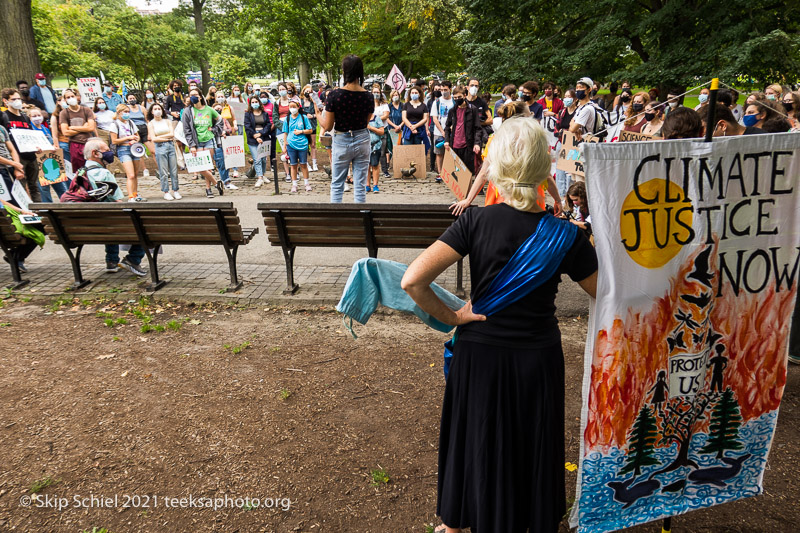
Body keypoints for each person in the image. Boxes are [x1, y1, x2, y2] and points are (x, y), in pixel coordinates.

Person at [401, 116, 597, 533]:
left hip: (480, 354)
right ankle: (528, 521)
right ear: (546, 170)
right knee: (532, 439)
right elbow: (608, 294)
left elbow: (413, 281)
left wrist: (454, 317)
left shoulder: (475, 222)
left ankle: (456, 524)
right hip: (536, 356)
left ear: (498, 168)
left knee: (475, 436)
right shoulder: (566, 236)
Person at [81, 137, 148, 276]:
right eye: (106, 150)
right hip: (109, 221)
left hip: (87, 225)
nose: (110, 153)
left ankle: (111, 261)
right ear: (95, 153)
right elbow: (118, 201)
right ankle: (133, 259)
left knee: (108, 221)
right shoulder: (103, 173)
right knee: (145, 227)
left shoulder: (80, 172)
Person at [318, 54, 374, 203]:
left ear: (345, 72)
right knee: (360, 185)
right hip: (362, 138)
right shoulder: (369, 96)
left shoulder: (335, 95)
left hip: (342, 139)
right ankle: (361, 219)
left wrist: (318, 115)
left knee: (337, 184)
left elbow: (328, 126)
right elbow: (366, 120)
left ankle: (336, 221)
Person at [0, 134, 43, 272]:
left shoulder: (2, 130)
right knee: (42, 226)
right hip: (11, 221)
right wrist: (22, 211)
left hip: (9, 220)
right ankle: (17, 256)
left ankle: (16, 257)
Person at [181, 87, 225, 198]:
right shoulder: (188, 111)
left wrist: (215, 130)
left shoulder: (209, 109)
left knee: (208, 166)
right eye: (191, 95)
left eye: (195, 95)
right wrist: (192, 145)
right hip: (197, 142)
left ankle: (208, 189)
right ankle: (216, 183)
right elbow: (186, 130)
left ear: (200, 96)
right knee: (200, 167)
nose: (193, 97)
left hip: (209, 140)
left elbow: (220, 120)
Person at [2, 88, 43, 202]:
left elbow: (30, 135)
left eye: (19, 99)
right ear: (6, 101)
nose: (17, 101)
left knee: (34, 186)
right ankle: (26, 211)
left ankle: (40, 211)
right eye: (13, 99)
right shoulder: (5, 116)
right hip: (17, 156)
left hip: (30, 155)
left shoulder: (25, 116)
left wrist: (37, 146)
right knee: (21, 186)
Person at [27, 107, 66, 202]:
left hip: (52, 162)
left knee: (61, 187)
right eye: (34, 116)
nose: (37, 118)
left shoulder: (45, 128)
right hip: (39, 164)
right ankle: (48, 210)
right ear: (29, 117)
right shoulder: (30, 129)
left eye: (39, 115)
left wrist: (54, 147)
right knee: (44, 190)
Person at [443, 86, 483, 175]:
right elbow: (447, 127)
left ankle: (471, 188)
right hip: (455, 145)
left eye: (459, 97)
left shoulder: (472, 109)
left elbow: (478, 128)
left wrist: (476, 143)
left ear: (464, 96)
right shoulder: (452, 111)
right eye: (455, 98)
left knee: (468, 172)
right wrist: (446, 140)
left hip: (467, 145)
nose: (457, 99)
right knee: (457, 172)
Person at [109, 103, 145, 202]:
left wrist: (135, 139)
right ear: (119, 113)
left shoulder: (130, 122)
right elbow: (114, 140)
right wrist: (128, 138)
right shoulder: (114, 124)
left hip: (134, 148)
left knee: (136, 173)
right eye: (125, 112)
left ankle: (135, 193)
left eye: (128, 112)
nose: (127, 114)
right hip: (123, 149)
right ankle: (130, 196)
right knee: (131, 174)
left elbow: (137, 136)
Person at [147, 102, 181, 200]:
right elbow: (154, 139)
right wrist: (166, 138)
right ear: (152, 112)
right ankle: (166, 191)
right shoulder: (151, 123)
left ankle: (176, 190)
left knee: (174, 170)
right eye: (155, 109)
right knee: (164, 171)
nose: (157, 111)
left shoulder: (167, 121)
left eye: (159, 109)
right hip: (160, 147)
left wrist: (160, 137)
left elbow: (172, 133)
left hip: (171, 146)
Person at [282, 100, 314, 193]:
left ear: (298, 107)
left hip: (302, 144)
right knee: (293, 165)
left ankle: (306, 183)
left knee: (303, 164)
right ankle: (294, 184)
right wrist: (284, 145)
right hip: (291, 144)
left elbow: (310, 130)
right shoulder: (287, 119)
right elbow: (285, 133)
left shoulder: (303, 118)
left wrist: (301, 131)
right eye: (290, 107)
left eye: (294, 107)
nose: (292, 109)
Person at [554, 88, 578, 198]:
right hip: (561, 142)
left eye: (569, 97)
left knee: (570, 173)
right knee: (560, 171)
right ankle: (560, 194)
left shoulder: (578, 113)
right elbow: (557, 127)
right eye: (566, 96)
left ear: (575, 99)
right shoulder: (562, 112)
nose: (566, 99)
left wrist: (568, 132)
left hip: (573, 144)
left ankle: (570, 195)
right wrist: (559, 133)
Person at [245, 94, 272, 187]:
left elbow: (268, 125)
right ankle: (259, 177)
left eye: (256, 102)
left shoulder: (264, 113)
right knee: (257, 159)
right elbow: (247, 127)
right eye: (252, 102)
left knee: (263, 158)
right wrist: (256, 136)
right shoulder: (248, 114)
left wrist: (261, 134)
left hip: (264, 136)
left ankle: (263, 174)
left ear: (259, 102)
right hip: (252, 138)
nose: (254, 104)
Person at [431, 80, 455, 181]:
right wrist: (442, 131)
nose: (443, 91)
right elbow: (435, 118)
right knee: (439, 153)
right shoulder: (437, 102)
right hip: (438, 132)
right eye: (442, 90)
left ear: (450, 89)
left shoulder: (454, 101)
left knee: (450, 153)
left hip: (452, 131)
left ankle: (450, 172)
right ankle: (440, 172)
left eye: (445, 89)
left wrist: (450, 129)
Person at [211, 101, 238, 190]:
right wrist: (219, 132)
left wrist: (225, 132)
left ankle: (226, 180)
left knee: (227, 163)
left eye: (220, 109)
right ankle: (226, 181)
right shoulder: (210, 120)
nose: (218, 110)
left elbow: (230, 129)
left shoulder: (224, 119)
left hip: (225, 144)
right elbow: (209, 130)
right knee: (221, 163)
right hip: (216, 144)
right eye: (216, 109)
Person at [126, 92, 151, 177]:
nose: (132, 100)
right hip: (134, 130)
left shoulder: (142, 108)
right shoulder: (127, 109)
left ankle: (160, 168)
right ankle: (144, 169)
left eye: (133, 98)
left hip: (144, 129)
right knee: (139, 150)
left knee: (153, 150)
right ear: (127, 100)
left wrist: (150, 132)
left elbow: (147, 120)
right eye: (130, 99)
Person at [569, 77, 601, 141]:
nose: (578, 90)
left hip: (588, 142)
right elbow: (572, 123)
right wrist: (575, 128)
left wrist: (574, 127)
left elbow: (572, 129)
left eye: (581, 87)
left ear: (589, 90)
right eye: (577, 87)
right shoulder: (581, 107)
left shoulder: (587, 109)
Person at [371, 85, 390, 178]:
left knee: (382, 151)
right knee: (371, 151)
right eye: (374, 92)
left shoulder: (384, 105)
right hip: (371, 132)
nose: (376, 94)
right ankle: (371, 170)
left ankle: (385, 170)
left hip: (382, 130)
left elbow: (386, 115)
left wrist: (375, 120)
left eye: (377, 92)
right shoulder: (368, 104)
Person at [301, 84, 321, 171]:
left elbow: (318, 113)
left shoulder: (314, 102)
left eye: (310, 92)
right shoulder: (300, 102)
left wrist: (312, 116)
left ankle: (314, 163)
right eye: (306, 91)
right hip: (303, 125)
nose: (308, 93)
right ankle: (306, 163)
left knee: (313, 144)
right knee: (305, 145)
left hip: (312, 125)